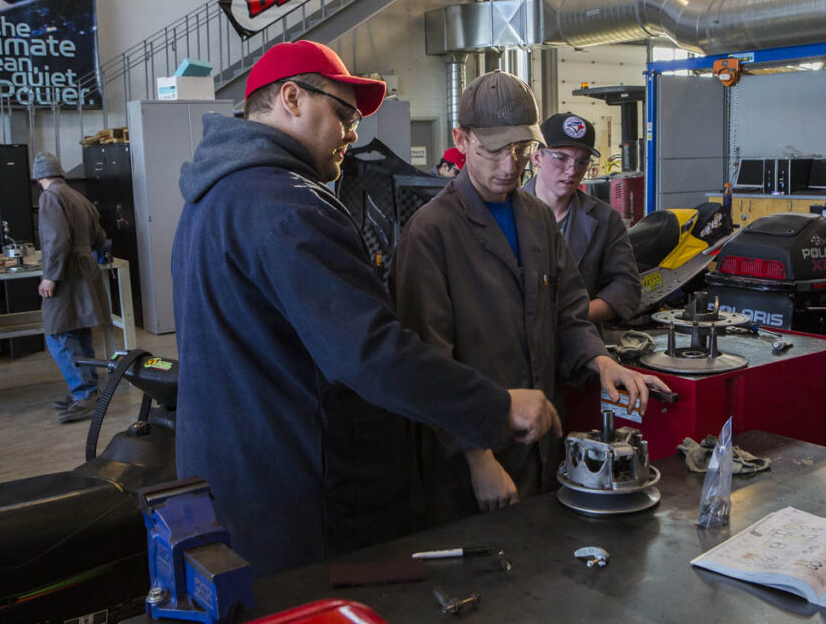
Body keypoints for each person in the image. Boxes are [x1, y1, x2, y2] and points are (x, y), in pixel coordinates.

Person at [171, 41, 560, 577]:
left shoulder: (213, 198)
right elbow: (370, 352)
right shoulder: (287, 207)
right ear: (291, 98)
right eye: (343, 114)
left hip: (242, 479)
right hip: (300, 492)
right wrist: (495, 408)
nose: (354, 133)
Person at [391, 71, 668, 523]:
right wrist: (477, 458)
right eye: (494, 150)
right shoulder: (431, 232)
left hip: (541, 442)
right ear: (461, 139)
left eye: (520, 150)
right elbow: (427, 364)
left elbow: (569, 313)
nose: (509, 166)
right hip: (473, 458)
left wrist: (600, 362)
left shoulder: (537, 219)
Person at [523, 113, 641, 324]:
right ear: (537, 157)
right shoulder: (507, 212)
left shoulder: (606, 220)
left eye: (582, 161)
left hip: (579, 343)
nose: (572, 170)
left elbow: (626, 286)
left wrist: (576, 315)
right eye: (561, 158)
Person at [33, 152, 110, 424]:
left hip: (67, 275)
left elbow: (56, 240)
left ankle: (84, 393)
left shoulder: (50, 197)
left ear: (39, 176)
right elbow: (102, 238)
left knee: (58, 334)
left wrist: (50, 276)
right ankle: (91, 390)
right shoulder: (79, 197)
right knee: (80, 333)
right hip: (85, 271)